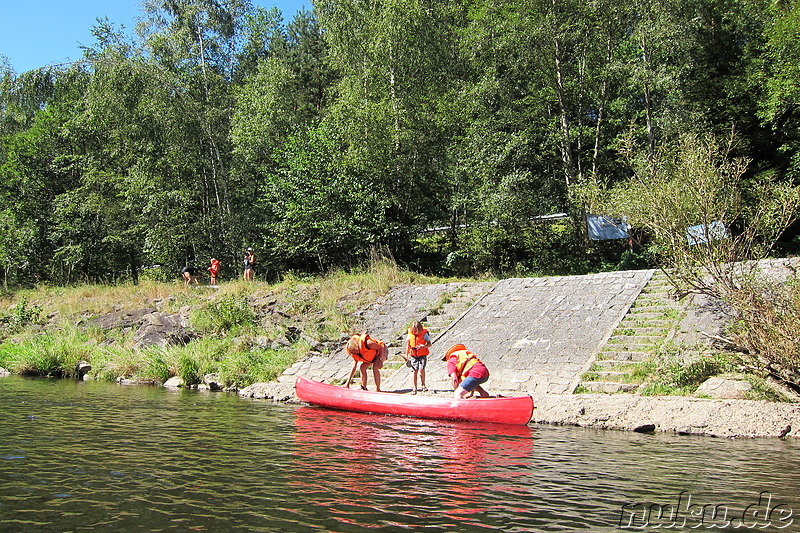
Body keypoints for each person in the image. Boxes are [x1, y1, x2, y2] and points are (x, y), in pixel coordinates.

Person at [403, 320, 431, 394]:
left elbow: (429, 344)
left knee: (421, 369)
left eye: (417, 330)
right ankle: (414, 388)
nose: (416, 332)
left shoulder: (424, 334)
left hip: (422, 354)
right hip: (413, 355)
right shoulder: (410, 334)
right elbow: (408, 345)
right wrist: (406, 355)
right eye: (414, 330)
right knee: (414, 371)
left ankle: (423, 385)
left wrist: (423, 346)